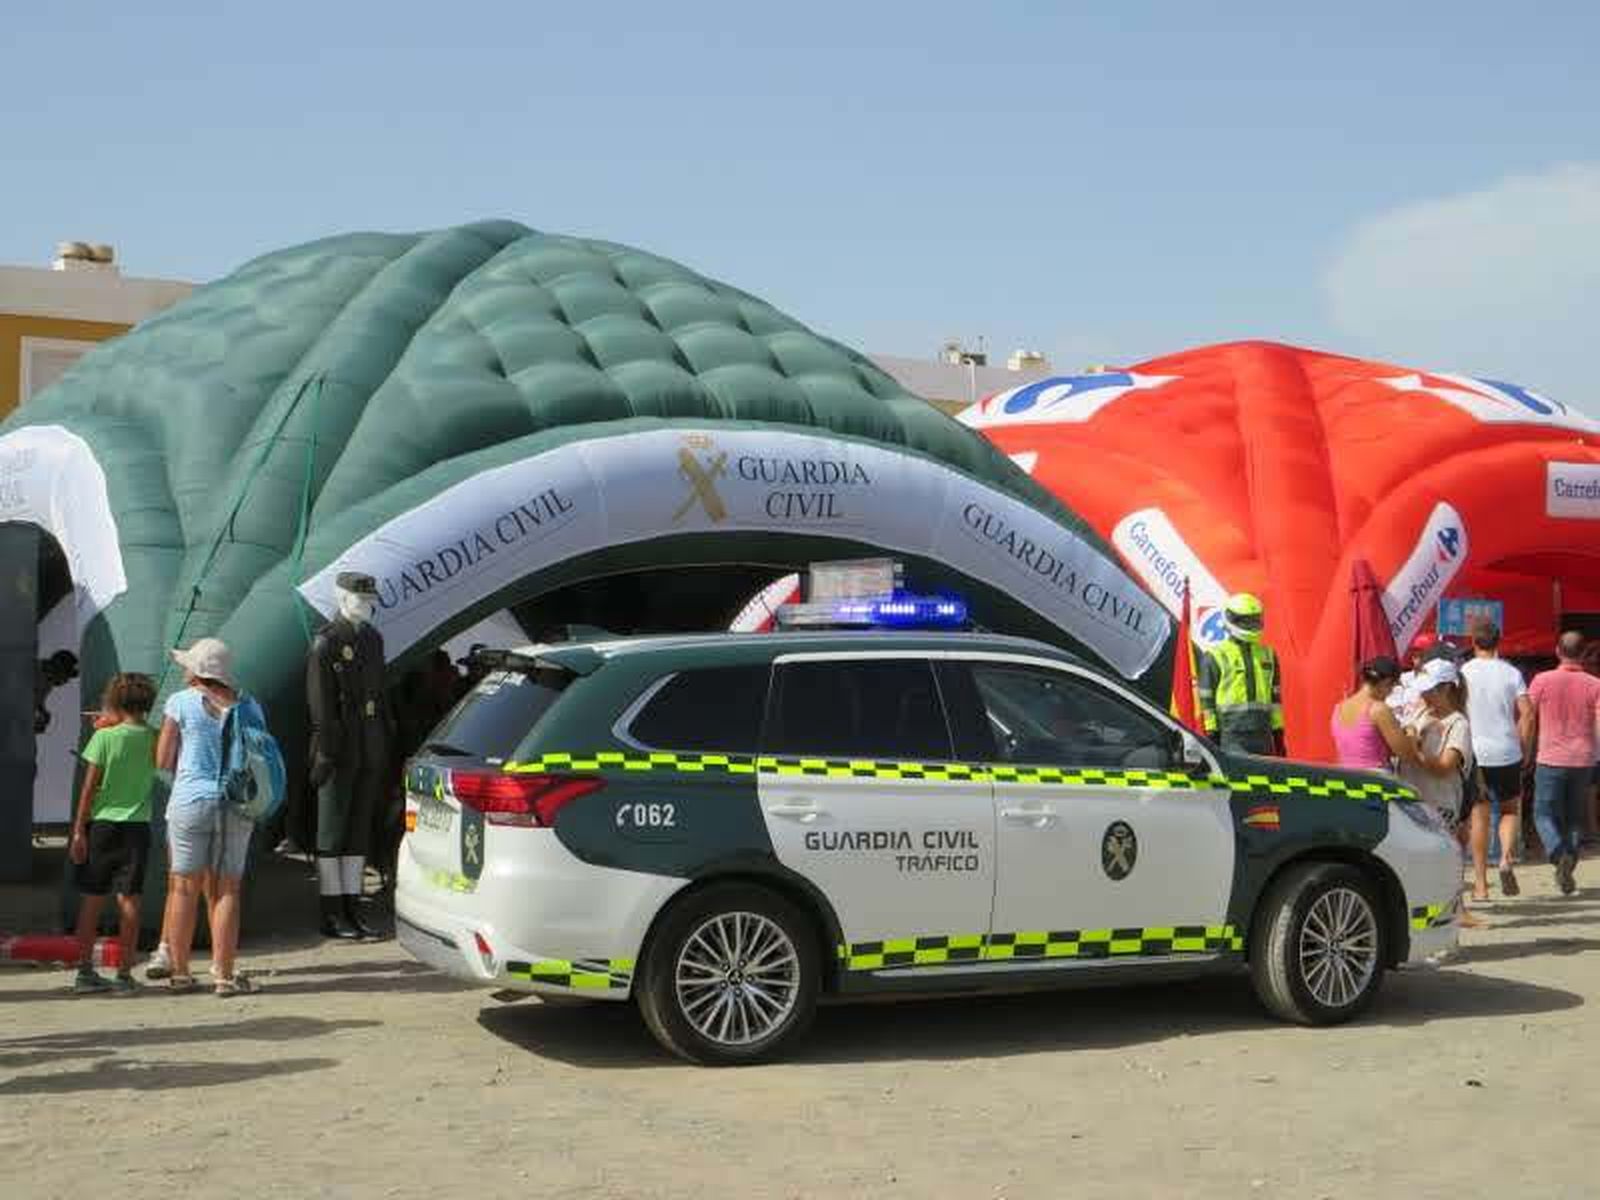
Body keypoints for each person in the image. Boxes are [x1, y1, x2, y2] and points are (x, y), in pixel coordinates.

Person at [157, 638, 262, 995]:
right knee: (227, 889)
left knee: (183, 887)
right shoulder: (250, 706)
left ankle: (181, 973)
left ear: (196, 671)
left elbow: (163, 759)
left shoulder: (179, 702)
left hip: (190, 800)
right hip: (236, 804)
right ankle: (224, 977)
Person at [67, 673, 158, 994]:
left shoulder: (103, 738)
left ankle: (83, 972)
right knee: (130, 901)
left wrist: (78, 831)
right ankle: (124, 975)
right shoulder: (155, 737)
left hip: (102, 826)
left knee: (91, 900)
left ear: (116, 702)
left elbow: (89, 788)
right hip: (138, 828)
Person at [1397, 658, 1484, 927]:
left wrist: (1413, 751)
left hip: (1440, 807)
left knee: (1433, 875)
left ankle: (1436, 930)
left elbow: (1445, 767)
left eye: (1430, 690)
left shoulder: (1458, 724)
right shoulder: (1421, 713)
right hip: (1413, 802)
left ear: (1447, 689)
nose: (1424, 695)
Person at [1461, 622, 1534, 899]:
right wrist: (1525, 747)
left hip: (1475, 752)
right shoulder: (1512, 673)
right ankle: (1504, 858)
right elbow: (1527, 713)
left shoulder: (1463, 672)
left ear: (1474, 641)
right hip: (1506, 750)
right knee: (1509, 810)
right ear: (1498, 642)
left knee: (1478, 817)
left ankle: (1480, 885)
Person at [1526, 631, 1600, 896]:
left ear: (1558, 651)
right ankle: (1568, 860)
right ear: (1583, 654)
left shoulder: (1541, 680)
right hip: (1583, 759)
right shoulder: (1595, 684)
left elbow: (1528, 717)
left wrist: (1526, 749)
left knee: (1543, 813)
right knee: (1574, 817)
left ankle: (1559, 854)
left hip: (1550, 758)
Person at [1197, 592, 1284, 756]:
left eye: (1254, 619)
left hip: (1263, 734)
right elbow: (1206, 700)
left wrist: (1278, 733)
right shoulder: (1215, 656)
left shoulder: (1269, 655)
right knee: (1237, 780)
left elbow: (1276, 700)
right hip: (1230, 735)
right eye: (1246, 621)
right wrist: (1212, 733)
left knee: (1263, 780)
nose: (1251, 625)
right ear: (1231, 620)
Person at [1330, 656, 1416, 771]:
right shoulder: (1379, 710)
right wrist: (1412, 733)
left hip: (1346, 779)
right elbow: (1406, 754)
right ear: (1386, 683)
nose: (1390, 693)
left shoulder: (1338, 708)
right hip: (1374, 781)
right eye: (1392, 688)